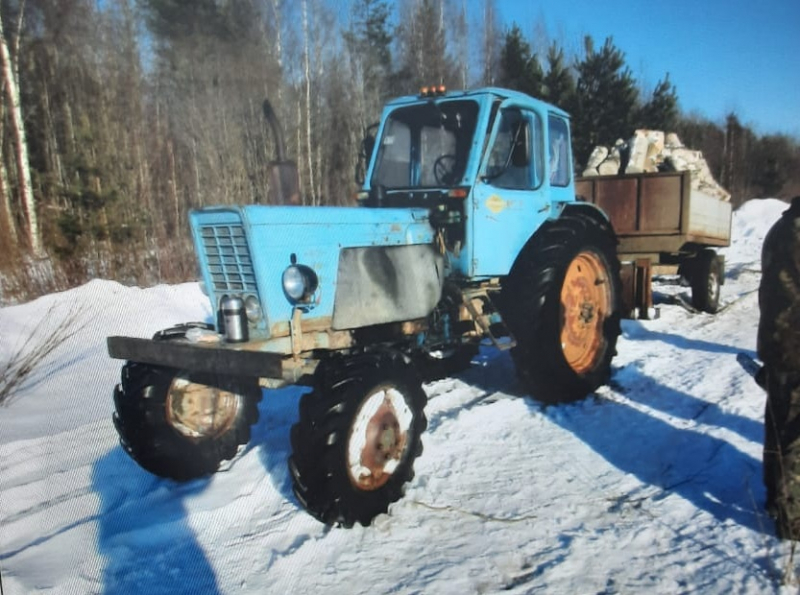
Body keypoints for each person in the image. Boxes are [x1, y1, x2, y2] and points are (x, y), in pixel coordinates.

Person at [759, 195, 800, 539]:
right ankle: (793, 521)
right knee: (795, 434)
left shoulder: (779, 229)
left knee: (777, 421)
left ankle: (774, 497)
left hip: (777, 343)